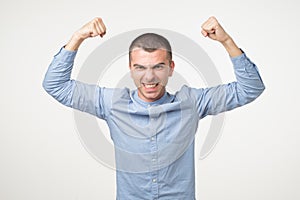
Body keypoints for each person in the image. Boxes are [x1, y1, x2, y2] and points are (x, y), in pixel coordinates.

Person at [43, 16, 265, 199]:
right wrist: (77, 38)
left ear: (171, 68)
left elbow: (250, 88)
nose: (149, 77)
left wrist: (226, 41)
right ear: (130, 68)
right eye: (140, 67)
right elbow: (55, 85)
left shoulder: (191, 103)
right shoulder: (112, 103)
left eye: (158, 67)